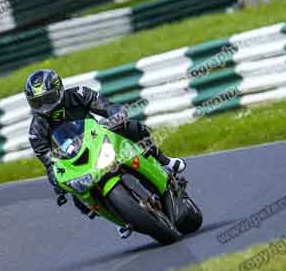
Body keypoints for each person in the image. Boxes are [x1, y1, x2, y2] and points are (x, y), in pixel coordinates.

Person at [26, 69, 186, 224]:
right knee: (79, 200)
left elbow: (105, 105)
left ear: (59, 90)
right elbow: (49, 162)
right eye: (37, 102)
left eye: (48, 99)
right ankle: (120, 216)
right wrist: (57, 183)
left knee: (132, 128)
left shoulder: (78, 94)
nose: (44, 106)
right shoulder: (35, 131)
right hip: (74, 161)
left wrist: (117, 114)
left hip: (96, 139)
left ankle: (165, 161)